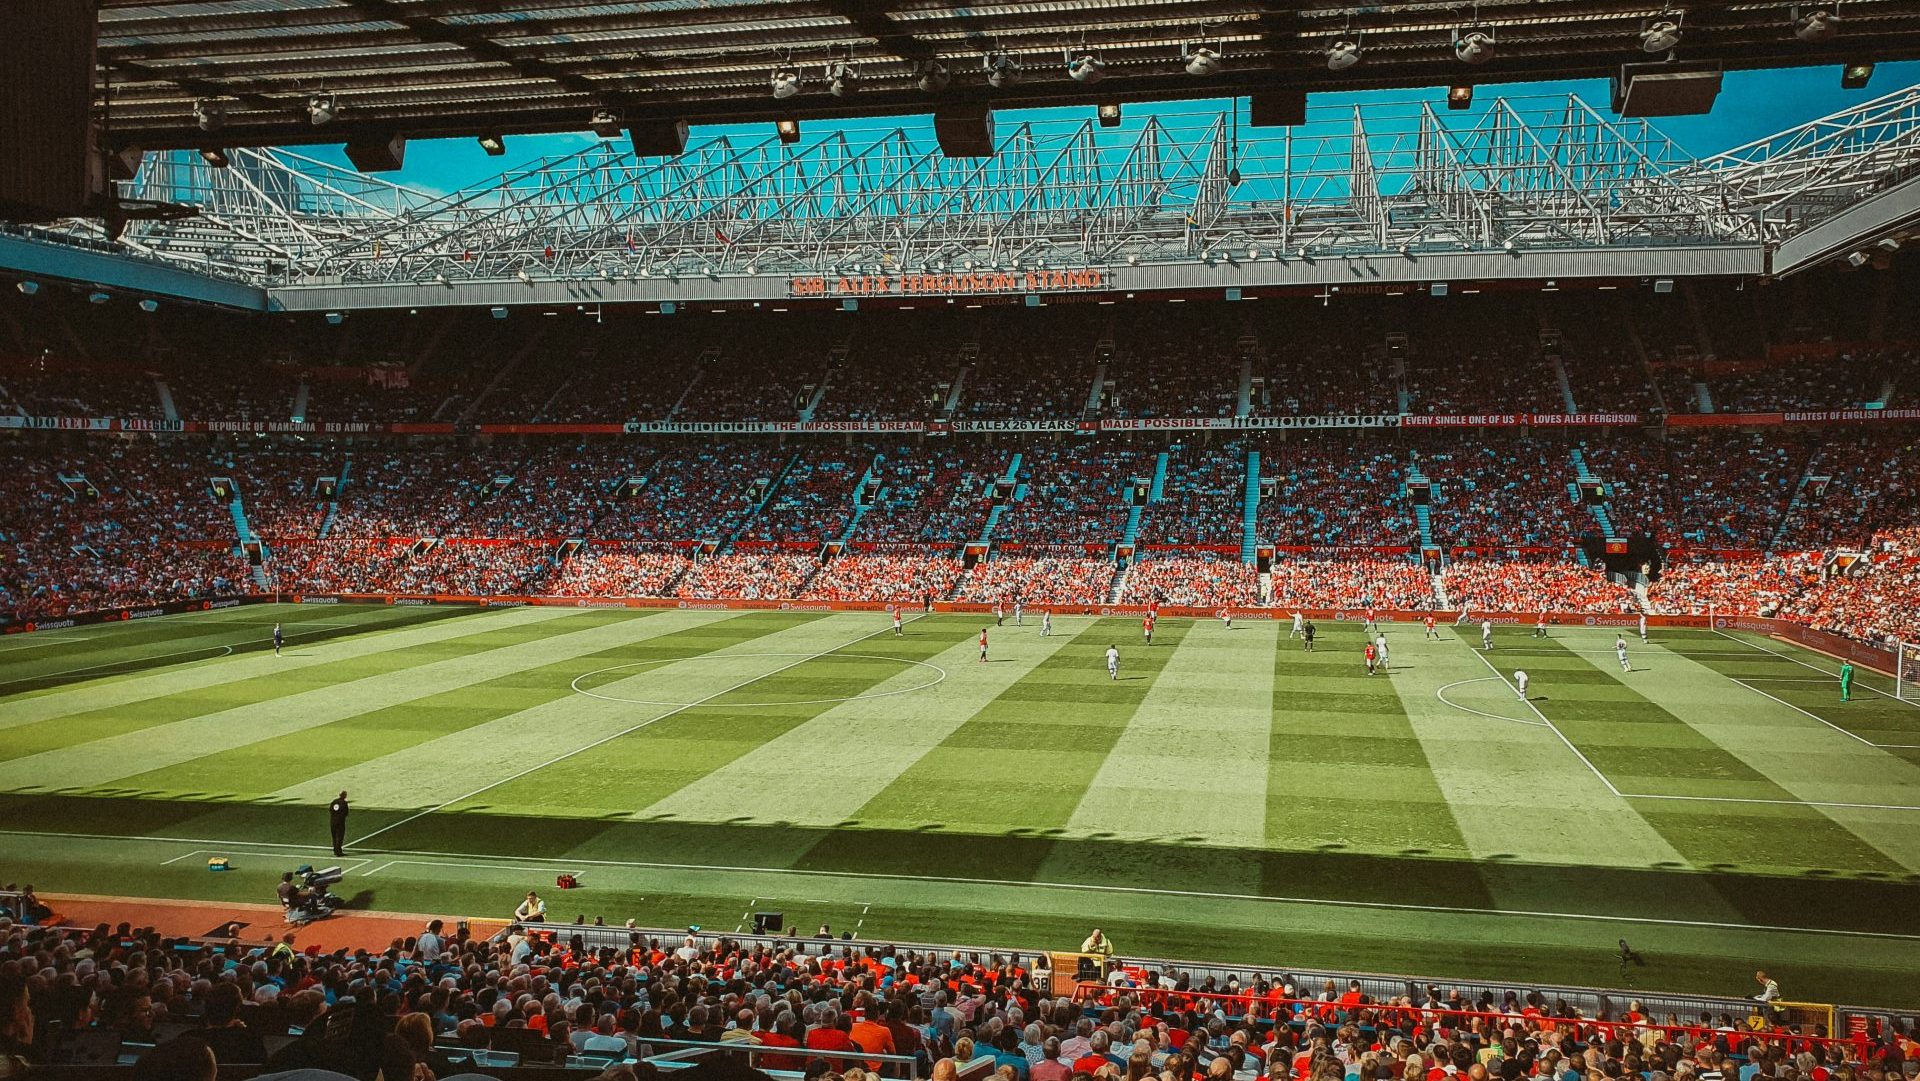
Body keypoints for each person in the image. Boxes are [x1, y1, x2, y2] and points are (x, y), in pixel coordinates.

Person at [328, 790, 349, 857]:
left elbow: (330, 810)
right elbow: (346, 813)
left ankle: (335, 849)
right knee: (340, 836)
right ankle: (338, 851)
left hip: (333, 822)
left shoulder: (334, 802)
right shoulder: (344, 803)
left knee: (334, 836)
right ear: (344, 795)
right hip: (340, 822)